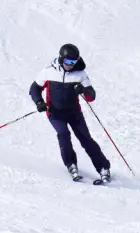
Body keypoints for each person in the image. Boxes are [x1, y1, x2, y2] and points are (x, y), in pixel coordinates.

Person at [28, 44, 111, 184]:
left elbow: (92, 96)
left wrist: (83, 90)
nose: (70, 65)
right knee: (63, 134)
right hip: (55, 113)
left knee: (86, 139)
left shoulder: (80, 74)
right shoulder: (48, 72)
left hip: (74, 113)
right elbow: (34, 88)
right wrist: (39, 102)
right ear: (61, 58)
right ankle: (71, 164)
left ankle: (103, 168)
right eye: (67, 62)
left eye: (73, 62)